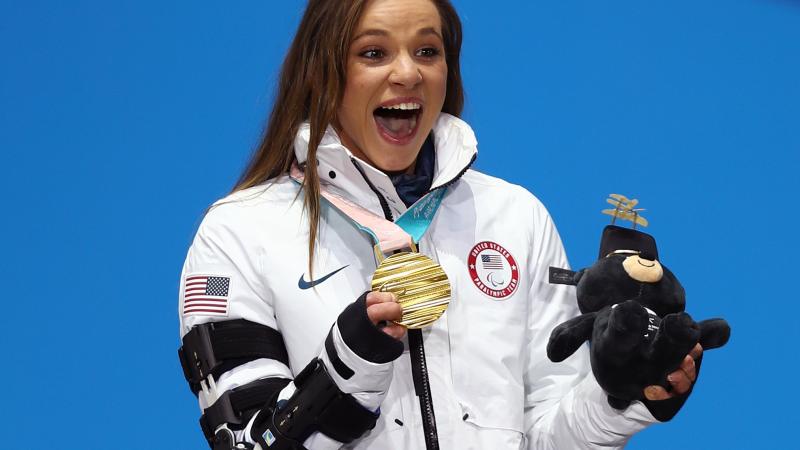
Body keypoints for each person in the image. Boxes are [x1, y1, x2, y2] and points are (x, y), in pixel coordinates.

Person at [177, 0, 703, 449]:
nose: (408, 73)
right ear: (323, 70)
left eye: (427, 51)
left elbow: (546, 432)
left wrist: (622, 394)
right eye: (374, 52)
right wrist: (349, 363)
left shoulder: (516, 216)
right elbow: (244, 438)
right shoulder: (238, 234)